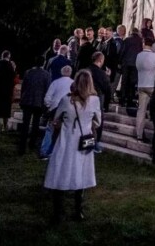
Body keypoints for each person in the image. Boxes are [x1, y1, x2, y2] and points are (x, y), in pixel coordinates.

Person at [44, 69, 102, 224]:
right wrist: (88, 123)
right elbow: (98, 122)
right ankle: (78, 210)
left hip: (67, 139)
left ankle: (59, 212)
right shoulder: (95, 101)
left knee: (60, 170)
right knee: (81, 172)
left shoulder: (66, 100)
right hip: (84, 140)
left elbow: (56, 119)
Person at [18, 56, 51, 156]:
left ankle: (22, 146)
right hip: (38, 102)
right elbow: (47, 89)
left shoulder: (28, 72)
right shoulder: (46, 74)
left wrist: (22, 98)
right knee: (35, 124)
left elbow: (24, 87)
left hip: (27, 101)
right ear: (43, 63)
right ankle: (32, 143)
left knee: (25, 123)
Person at [134, 36, 155, 140]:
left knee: (141, 110)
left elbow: (137, 67)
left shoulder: (138, 55)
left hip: (141, 84)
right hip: (152, 85)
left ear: (143, 43)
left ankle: (139, 134)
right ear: (152, 45)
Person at [87, 52, 112, 151]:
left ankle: (87, 144)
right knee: (97, 123)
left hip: (85, 98)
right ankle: (94, 144)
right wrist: (107, 104)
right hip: (97, 99)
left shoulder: (86, 70)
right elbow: (107, 88)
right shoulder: (101, 73)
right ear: (101, 60)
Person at [119, 27, 143, 107]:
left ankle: (122, 100)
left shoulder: (126, 40)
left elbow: (122, 51)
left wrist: (120, 62)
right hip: (135, 64)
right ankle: (130, 100)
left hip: (126, 63)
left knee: (124, 81)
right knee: (132, 83)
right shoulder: (140, 40)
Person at [0, 50, 16, 132]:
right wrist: (14, 69)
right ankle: (4, 126)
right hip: (7, 91)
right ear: (9, 56)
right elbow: (13, 77)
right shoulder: (10, 65)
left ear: (2, 56)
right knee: (6, 110)